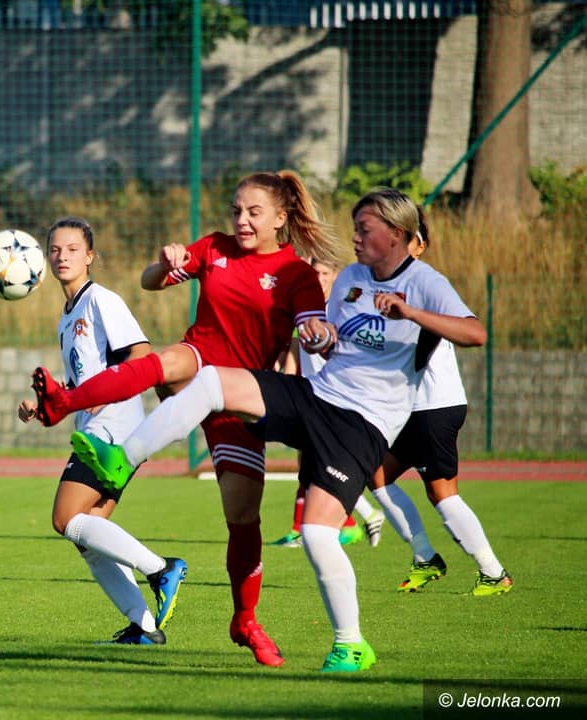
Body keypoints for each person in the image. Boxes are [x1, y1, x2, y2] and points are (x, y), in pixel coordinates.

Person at [70, 187, 486, 672]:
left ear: (396, 234)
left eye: (364, 229)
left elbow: (474, 332)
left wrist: (411, 312)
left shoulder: (425, 282)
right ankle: (123, 458)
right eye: (354, 228)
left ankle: (351, 644)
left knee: (317, 534)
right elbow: (330, 336)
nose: (354, 237)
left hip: (361, 425)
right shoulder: (352, 278)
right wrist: (321, 336)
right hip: (318, 397)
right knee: (212, 381)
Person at [32, 171, 340, 667]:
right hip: (198, 361)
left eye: (253, 212)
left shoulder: (296, 275)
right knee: (164, 362)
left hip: (241, 400)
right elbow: (150, 282)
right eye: (236, 210)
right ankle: (69, 408)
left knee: (243, 519)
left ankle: (245, 619)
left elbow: (314, 329)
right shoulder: (215, 248)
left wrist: (319, 334)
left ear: (281, 218)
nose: (242, 220)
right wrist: (166, 262)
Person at [17, 216, 187, 645]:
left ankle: (161, 569)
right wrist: (45, 405)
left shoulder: (100, 300)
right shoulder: (67, 317)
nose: (62, 256)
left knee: (64, 518)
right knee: (89, 534)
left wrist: (103, 396)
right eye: (55, 250)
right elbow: (82, 382)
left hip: (115, 424)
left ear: (90, 256)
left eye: (73, 249)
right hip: (101, 425)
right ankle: (144, 627)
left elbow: (141, 354)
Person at [368, 221, 513, 596]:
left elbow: (443, 334)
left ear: (420, 246)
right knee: (376, 474)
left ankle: (493, 572)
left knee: (443, 494)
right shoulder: (382, 284)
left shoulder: (427, 285)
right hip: (412, 409)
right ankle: (425, 558)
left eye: (406, 238)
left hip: (433, 405)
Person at [270, 257, 386, 549]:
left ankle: (363, 516)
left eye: (324, 273)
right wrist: (286, 379)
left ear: (336, 275)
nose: (319, 278)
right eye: (314, 272)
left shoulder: (343, 307)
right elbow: (295, 347)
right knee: (310, 464)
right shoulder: (306, 308)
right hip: (312, 395)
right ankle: (327, 524)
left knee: (319, 465)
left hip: (338, 397)